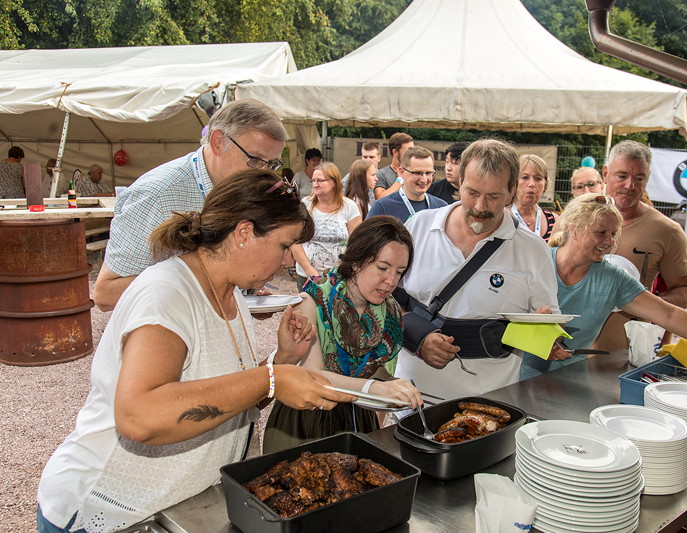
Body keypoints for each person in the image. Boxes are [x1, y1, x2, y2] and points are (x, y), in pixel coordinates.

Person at [36, 169, 354, 533]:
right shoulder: (167, 292)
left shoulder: (231, 294)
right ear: (245, 233)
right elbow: (139, 416)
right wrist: (271, 377)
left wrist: (280, 361)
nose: (288, 261)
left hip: (174, 508)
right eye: (285, 246)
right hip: (107, 509)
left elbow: (230, 398)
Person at [519, 193, 687, 380]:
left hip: (565, 381)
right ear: (573, 229)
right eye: (601, 232)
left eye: (614, 234)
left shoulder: (612, 278)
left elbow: (668, 314)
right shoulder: (537, 261)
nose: (609, 242)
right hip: (512, 377)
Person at [393, 139, 564, 400]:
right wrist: (417, 335)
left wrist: (546, 333)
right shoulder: (418, 227)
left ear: (511, 191)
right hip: (410, 396)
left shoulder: (533, 250)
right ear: (459, 181)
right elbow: (387, 296)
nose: (480, 207)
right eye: (472, 193)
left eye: (493, 196)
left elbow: (549, 328)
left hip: (488, 405)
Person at [94, 98, 288, 311]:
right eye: (256, 160)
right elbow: (106, 294)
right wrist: (202, 280)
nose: (264, 174)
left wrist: (246, 292)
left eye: (272, 165)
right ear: (217, 142)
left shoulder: (239, 188)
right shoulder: (158, 195)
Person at [264, 216, 422, 453]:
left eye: (399, 272)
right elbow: (313, 376)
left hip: (360, 421)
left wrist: (393, 389)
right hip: (306, 424)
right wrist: (374, 389)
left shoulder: (389, 312)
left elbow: (378, 372)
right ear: (357, 261)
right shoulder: (311, 301)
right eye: (382, 267)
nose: (391, 281)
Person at [592, 140, 687, 352]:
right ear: (605, 173)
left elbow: (686, 291)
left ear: (647, 179)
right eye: (622, 176)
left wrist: (646, 304)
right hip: (567, 350)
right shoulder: (575, 218)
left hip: (625, 354)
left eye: (639, 178)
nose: (630, 185)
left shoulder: (667, 231)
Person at [292, 162, 362, 291]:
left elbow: (356, 243)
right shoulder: (305, 205)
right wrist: (309, 270)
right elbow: (294, 241)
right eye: (312, 180)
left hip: (339, 275)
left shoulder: (349, 207)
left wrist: (347, 269)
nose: (315, 184)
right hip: (307, 275)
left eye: (320, 180)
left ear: (334, 182)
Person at [366, 146, 447, 222]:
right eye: (417, 173)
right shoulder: (382, 208)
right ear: (401, 172)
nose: (424, 179)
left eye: (429, 173)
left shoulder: (441, 207)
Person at [510, 154, 559, 241]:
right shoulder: (501, 218)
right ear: (514, 182)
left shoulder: (555, 221)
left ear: (545, 184)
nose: (531, 184)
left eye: (538, 178)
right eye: (525, 177)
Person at [374, 132, 414, 200]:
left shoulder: (415, 173)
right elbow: (380, 199)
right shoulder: (382, 174)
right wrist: (400, 180)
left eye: (413, 149)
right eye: (408, 150)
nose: (412, 153)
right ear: (395, 152)